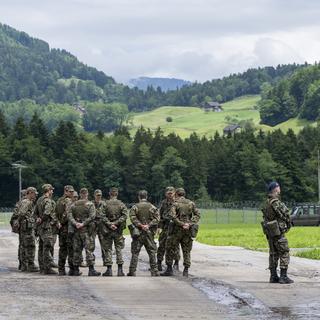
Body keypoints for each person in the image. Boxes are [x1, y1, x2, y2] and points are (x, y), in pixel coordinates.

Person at [161, 188, 200, 277]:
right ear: (184, 194)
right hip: (187, 230)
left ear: (177, 194)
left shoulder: (175, 204)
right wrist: (189, 224)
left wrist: (181, 224)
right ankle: (186, 270)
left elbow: (172, 216)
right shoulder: (191, 203)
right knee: (186, 250)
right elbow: (197, 214)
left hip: (176, 230)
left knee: (170, 248)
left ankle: (169, 269)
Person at [261, 182, 294, 284]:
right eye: (278, 187)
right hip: (278, 231)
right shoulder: (276, 202)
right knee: (284, 252)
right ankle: (283, 277)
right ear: (275, 189)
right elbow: (284, 214)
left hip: (270, 232)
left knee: (273, 254)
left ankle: (273, 276)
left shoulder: (267, 202)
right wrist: (289, 221)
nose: (280, 189)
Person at [68, 188, 101, 276]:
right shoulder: (90, 204)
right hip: (86, 231)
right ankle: (91, 270)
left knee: (76, 250)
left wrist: (76, 223)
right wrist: (83, 224)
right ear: (87, 194)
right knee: (89, 250)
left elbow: (69, 216)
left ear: (79, 194)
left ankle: (75, 270)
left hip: (76, 231)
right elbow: (92, 216)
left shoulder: (74, 204)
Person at [127, 190, 160, 277]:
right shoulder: (152, 207)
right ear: (147, 196)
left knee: (135, 252)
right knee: (152, 252)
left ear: (139, 197)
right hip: (149, 233)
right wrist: (148, 225)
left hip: (138, 233)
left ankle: (132, 271)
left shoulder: (135, 207)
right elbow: (157, 219)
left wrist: (140, 225)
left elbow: (132, 218)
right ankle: (154, 271)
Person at [100, 187, 127, 276]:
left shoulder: (105, 204)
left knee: (108, 249)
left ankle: (109, 270)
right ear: (117, 194)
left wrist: (109, 224)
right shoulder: (121, 204)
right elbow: (124, 216)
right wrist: (116, 223)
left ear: (109, 193)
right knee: (118, 249)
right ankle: (120, 270)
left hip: (108, 230)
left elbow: (102, 216)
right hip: (118, 230)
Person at [35, 184, 60, 275]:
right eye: (51, 190)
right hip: (47, 226)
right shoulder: (48, 201)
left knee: (41, 247)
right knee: (47, 247)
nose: (52, 192)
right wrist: (42, 218)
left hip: (40, 227)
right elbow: (47, 212)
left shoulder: (39, 200)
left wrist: (38, 218)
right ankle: (48, 267)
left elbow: (35, 212)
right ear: (48, 190)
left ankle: (42, 268)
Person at [157, 186, 180, 271]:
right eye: (168, 193)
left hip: (175, 227)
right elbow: (161, 215)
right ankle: (159, 262)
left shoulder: (178, 203)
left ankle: (176, 262)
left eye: (171, 192)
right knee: (161, 244)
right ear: (165, 194)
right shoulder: (164, 203)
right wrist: (159, 227)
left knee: (175, 245)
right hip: (166, 226)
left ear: (174, 193)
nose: (170, 194)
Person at [18, 187, 39, 272]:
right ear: (30, 193)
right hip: (27, 227)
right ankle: (30, 265)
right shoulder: (27, 202)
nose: (35, 195)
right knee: (30, 246)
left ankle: (24, 265)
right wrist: (29, 218)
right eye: (34, 193)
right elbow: (22, 213)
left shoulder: (23, 201)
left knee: (23, 245)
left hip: (24, 227)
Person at [56, 185, 75, 275]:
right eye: (70, 192)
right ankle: (72, 269)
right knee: (70, 249)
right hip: (67, 227)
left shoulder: (59, 200)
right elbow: (68, 214)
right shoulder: (68, 201)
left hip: (61, 228)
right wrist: (63, 222)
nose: (71, 193)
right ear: (65, 191)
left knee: (62, 249)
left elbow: (55, 213)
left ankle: (61, 269)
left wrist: (58, 222)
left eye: (72, 192)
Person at [10, 189, 27, 270]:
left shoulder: (18, 203)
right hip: (24, 226)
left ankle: (21, 263)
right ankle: (24, 264)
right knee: (25, 245)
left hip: (20, 227)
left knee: (21, 245)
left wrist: (14, 225)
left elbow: (14, 216)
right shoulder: (25, 203)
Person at [92, 189, 107, 266]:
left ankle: (105, 260)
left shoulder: (104, 204)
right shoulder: (90, 204)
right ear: (94, 195)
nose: (99, 196)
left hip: (101, 224)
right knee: (91, 243)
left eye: (100, 195)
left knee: (104, 243)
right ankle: (91, 260)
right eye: (97, 195)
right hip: (93, 224)